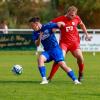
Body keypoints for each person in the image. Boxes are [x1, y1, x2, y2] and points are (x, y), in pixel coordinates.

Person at [29, 16, 81, 84]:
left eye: (32, 25)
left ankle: (75, 80)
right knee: (40, 59)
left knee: (62, 64)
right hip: (47, 51)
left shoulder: (47, 26)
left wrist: (59, 26)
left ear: (37, 24)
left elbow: (60, 23)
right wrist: (39, 38)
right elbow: (37, 44)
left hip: (55, 49)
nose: (31, 27)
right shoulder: (35, 33)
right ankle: (44, 80)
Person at [48, 6, 92, 82]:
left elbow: (82, 24)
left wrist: (87, 34)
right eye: (71, 15)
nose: (72, 16)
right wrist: (53, 28)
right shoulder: (60, 19)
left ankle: (81, 73)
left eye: (74, 15)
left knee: (80, 57)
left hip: (74, 43)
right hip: (64, 43)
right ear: (67, 12)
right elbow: (50, 24)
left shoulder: (77, 18)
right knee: (59, 59)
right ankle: (50, 77)